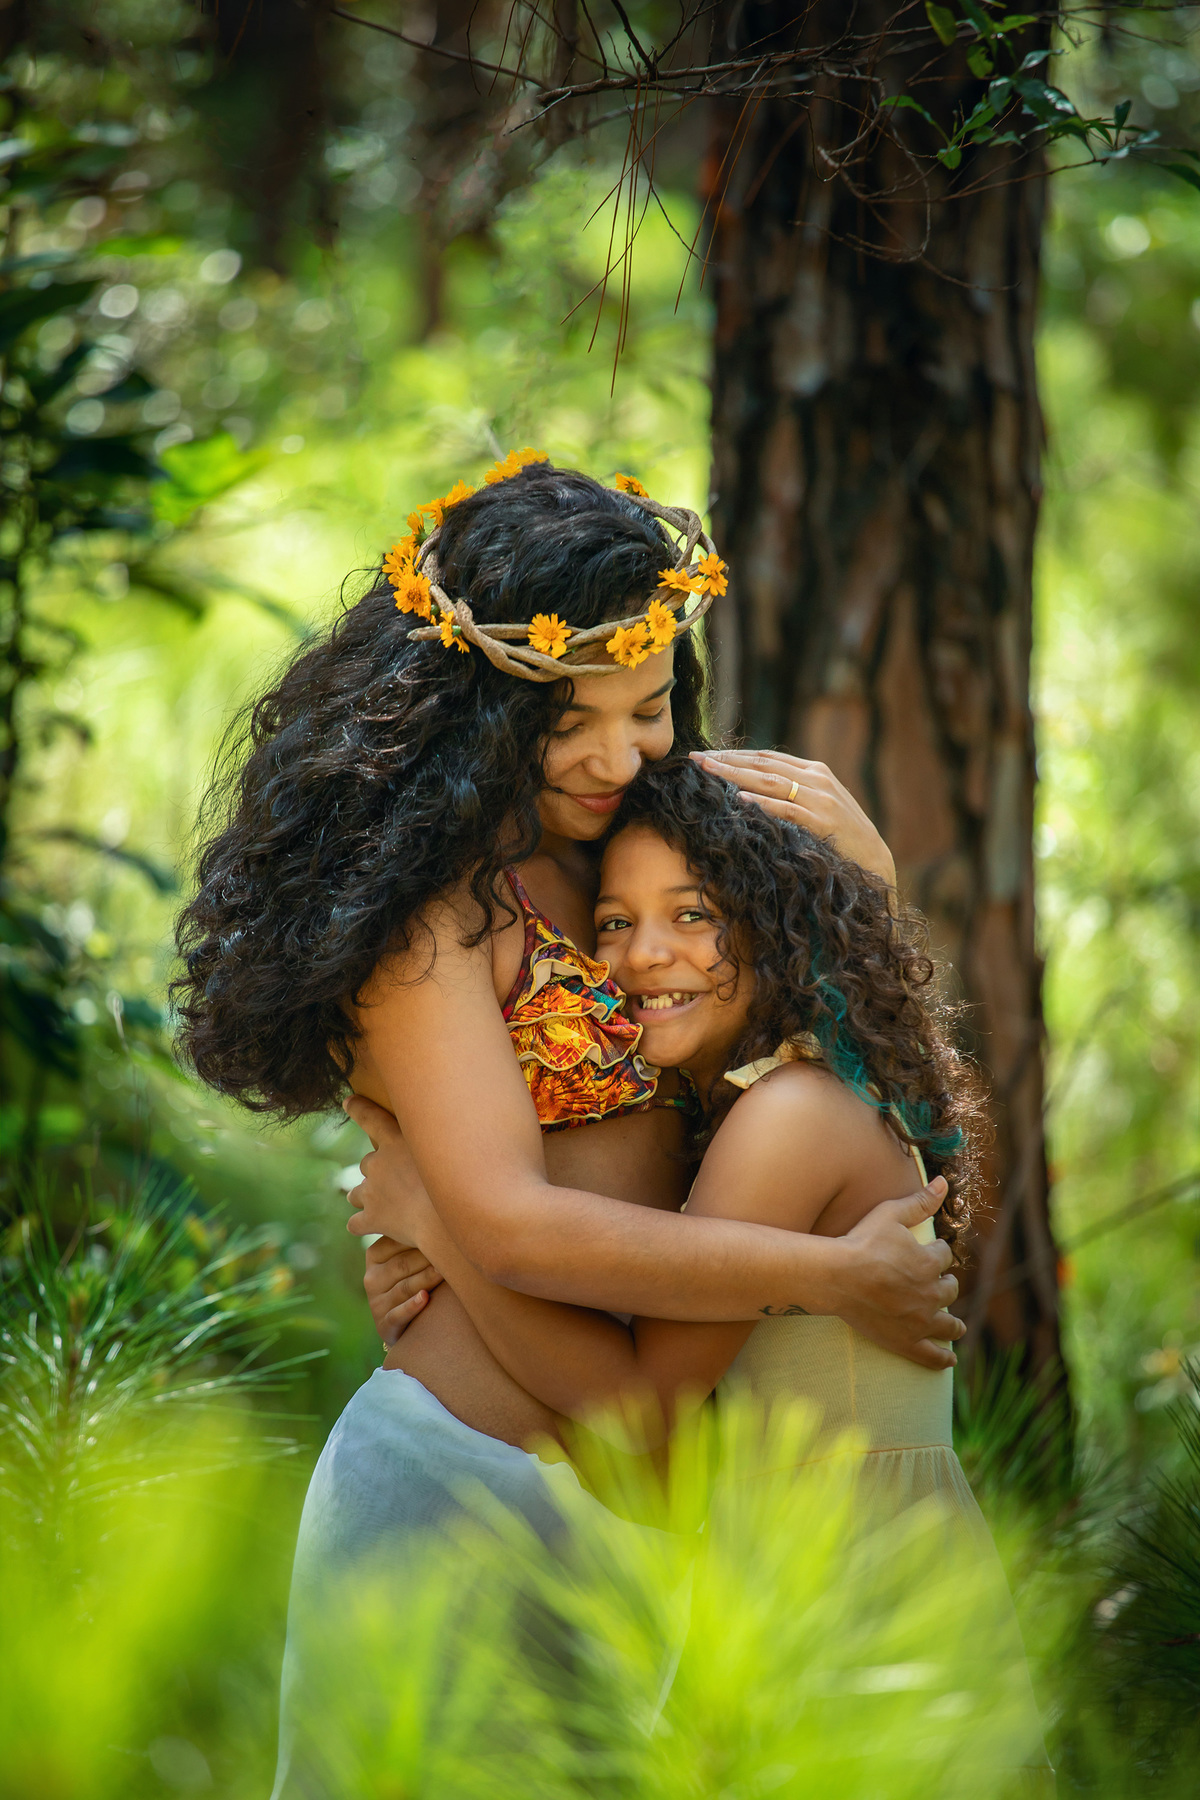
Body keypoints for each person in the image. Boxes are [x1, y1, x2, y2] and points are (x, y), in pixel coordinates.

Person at [172, 457, 962, 1788]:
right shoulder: (434, 916)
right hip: (452, 1491)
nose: (619, 756)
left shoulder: (632, 850)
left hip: (634, 1518)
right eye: (568, 724)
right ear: (479, 713)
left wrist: (866, 885)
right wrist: (829, 1275)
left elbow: (820, 1051)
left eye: (649, 709)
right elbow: (510, 1224)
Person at [347, 755, 1052, 1784]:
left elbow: (642, 1440)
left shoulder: (786, 1122)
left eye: (693, 914)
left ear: (778, 919)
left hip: (844, 1616)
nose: (643, 955)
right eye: (615, 922)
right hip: (826, 1589)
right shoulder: (795, 1098)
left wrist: (442, 1226)